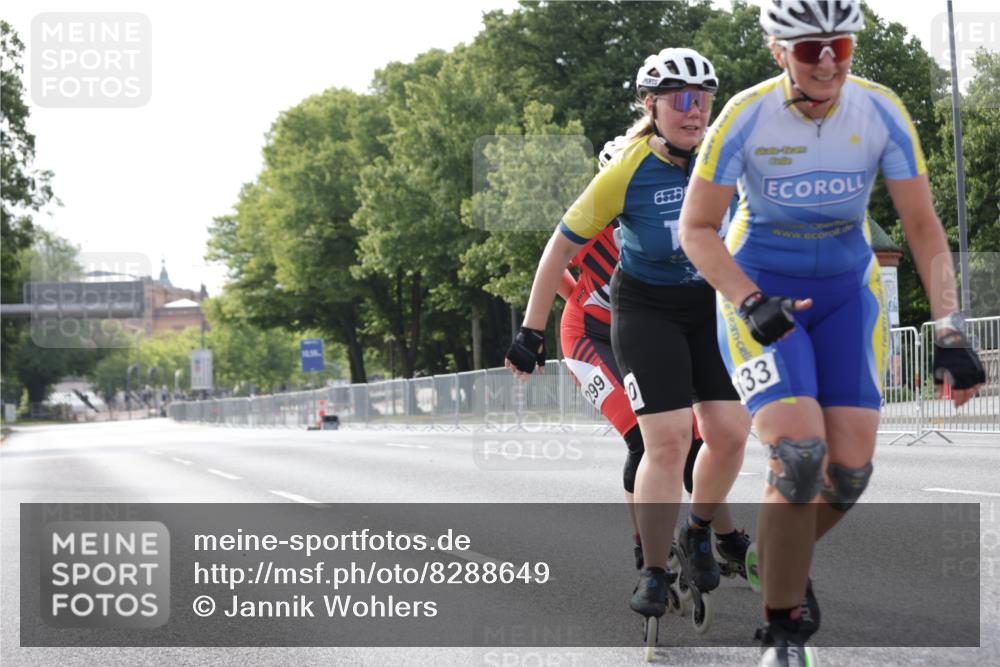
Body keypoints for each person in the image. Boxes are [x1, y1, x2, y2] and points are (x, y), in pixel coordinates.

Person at [677, 2, 987, 664]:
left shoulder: (879, 111)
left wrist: (950, 329)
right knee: (799, 457)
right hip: (764, 291)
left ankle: (776, 551)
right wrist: (748, 298)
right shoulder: (743, 115)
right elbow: (696, 229)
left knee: (847, 474)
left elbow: (923, 225)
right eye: (809, 46)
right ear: (776, 50)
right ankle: (784, 630)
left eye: (839, 46)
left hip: (848, 291)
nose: (826, 61)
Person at [506, 47, 752, 630]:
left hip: (707, 306)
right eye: (681, 101)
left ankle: (702, 532)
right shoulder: (627, 171)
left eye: (703, 101)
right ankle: (652, 567)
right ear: (652, 106)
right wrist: (530, 331)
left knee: (728, 432)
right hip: (642, 312)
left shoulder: (725, 159)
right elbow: (557, 250)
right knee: (663, 442)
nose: (694, 112)